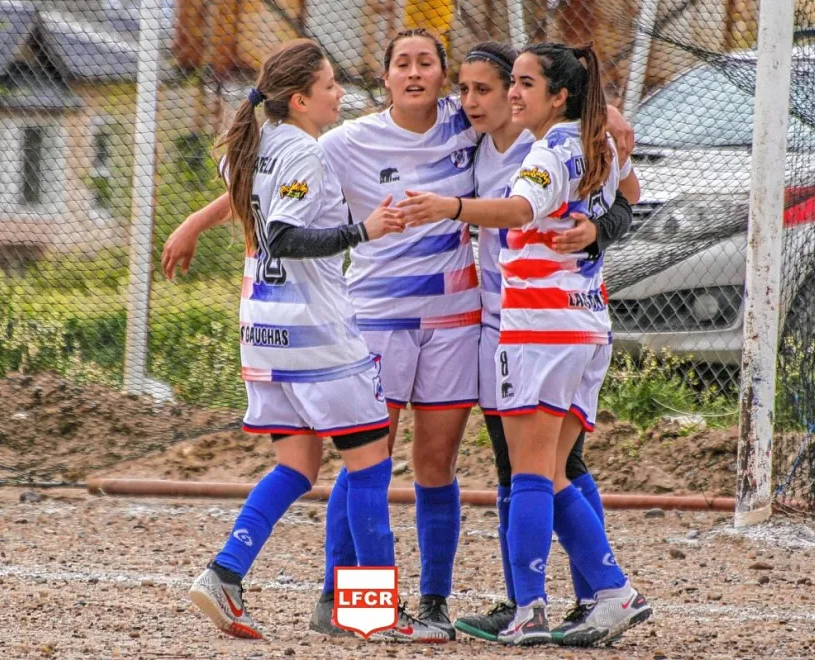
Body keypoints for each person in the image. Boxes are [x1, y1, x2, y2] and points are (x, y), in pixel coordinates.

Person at [163, 29, 636, 639]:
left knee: (448, 465)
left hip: (464, 321)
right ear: (384, 77)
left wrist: (605, 127)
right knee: (371, 460)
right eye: (402, 63)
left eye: (427, 63)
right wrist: (196, 221)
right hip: (375, 317)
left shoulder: (482, 125)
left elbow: (602, 163)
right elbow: (268, 191)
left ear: (444, 78)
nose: (416, 73)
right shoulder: (343, 141)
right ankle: (348, 602)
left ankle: (443, 602)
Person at [183, 38, 448, 643]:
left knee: (297, 466)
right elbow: (283, 235)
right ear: (300, 99)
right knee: (370, 466)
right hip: (317, 336)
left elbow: (256, 216)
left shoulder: (252, 146)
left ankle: (225, 573)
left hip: (264, 330)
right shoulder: (302, 150)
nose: (339, 93)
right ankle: (373, 612)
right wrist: (364, 230)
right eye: (330, 85)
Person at [397, 42, 652, 647]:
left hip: (535, 326)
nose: (510, 94)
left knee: (529, 474)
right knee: (550, 471)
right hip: (576, 321)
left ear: (558, 95)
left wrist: (447, 207)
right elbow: (629, 192)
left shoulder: (549, 148)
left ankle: (525, 606)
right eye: (507, 83)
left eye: (521, 83)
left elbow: (519, 209)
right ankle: (601, 594)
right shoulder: (594, 140)